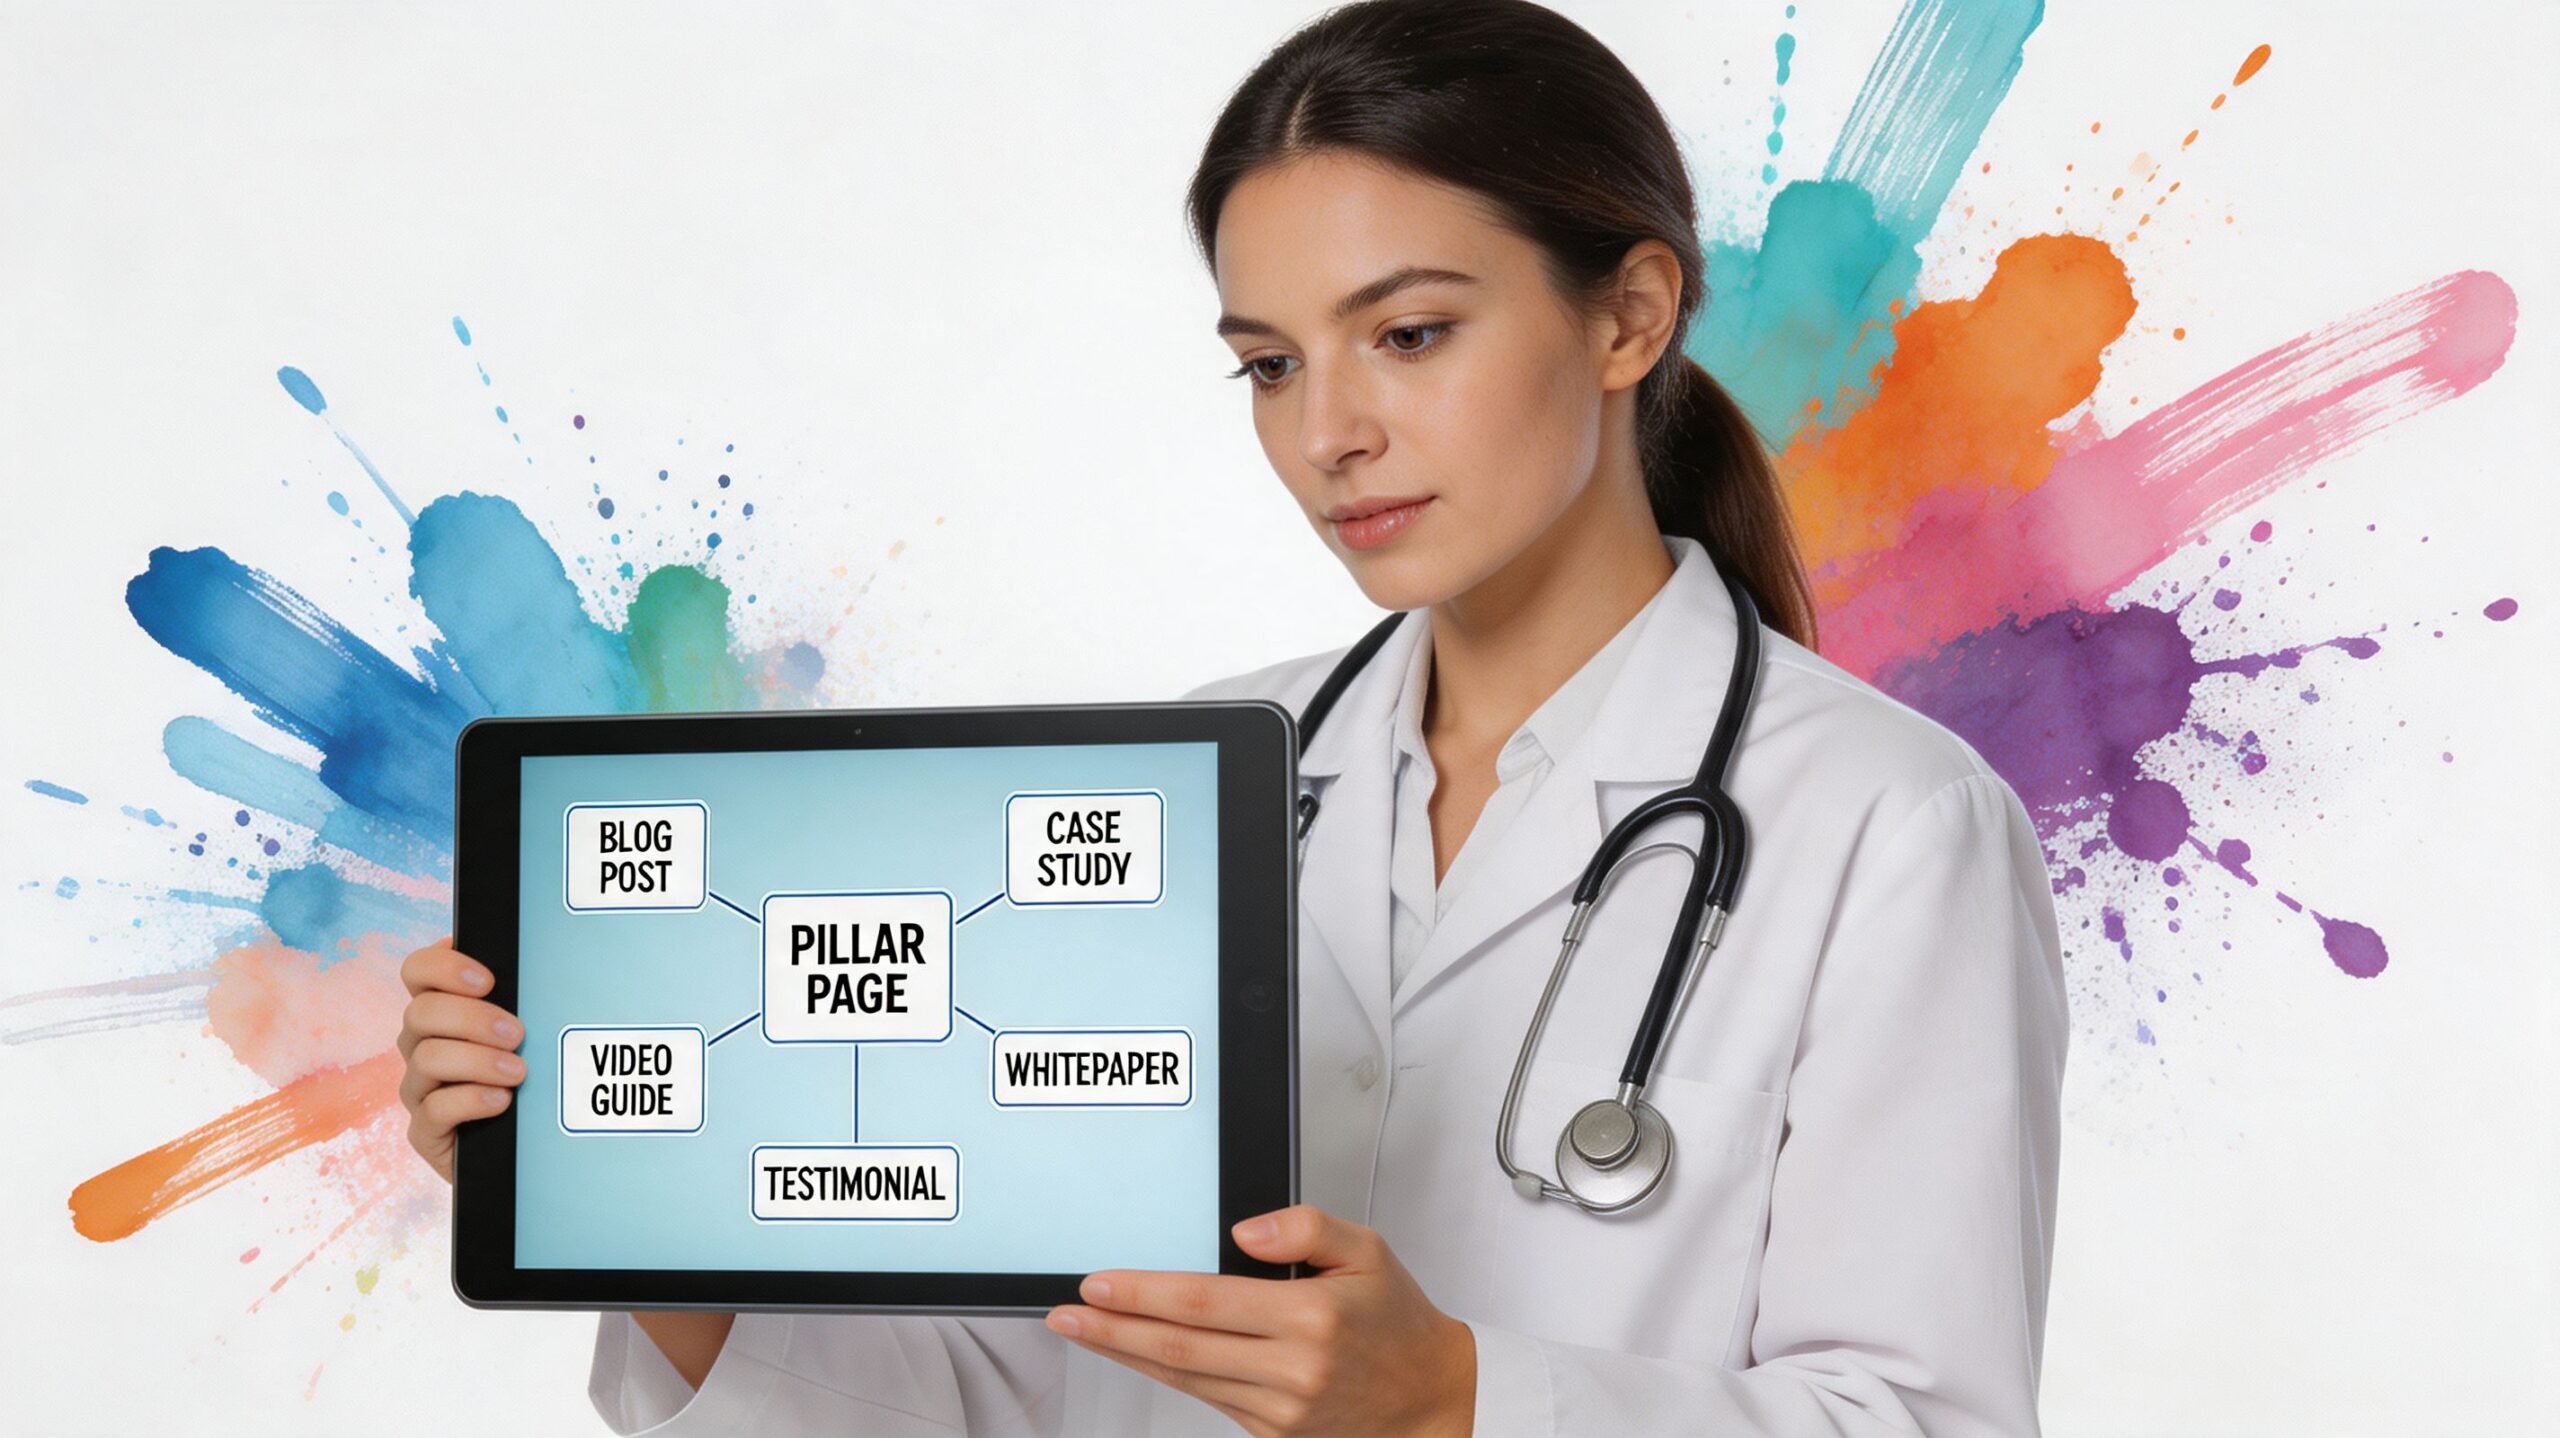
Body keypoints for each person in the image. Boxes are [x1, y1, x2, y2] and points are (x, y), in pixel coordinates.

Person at [400, 1, 2069, 1432]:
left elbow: (1921, 1418)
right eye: (1270, 364)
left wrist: (1457, 1398)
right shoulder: (1184, 784)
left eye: (1407, 334)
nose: (1330, 432)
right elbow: (1017, 1388)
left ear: (1630, 313)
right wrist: (615, 1203)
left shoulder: (1887, 825)